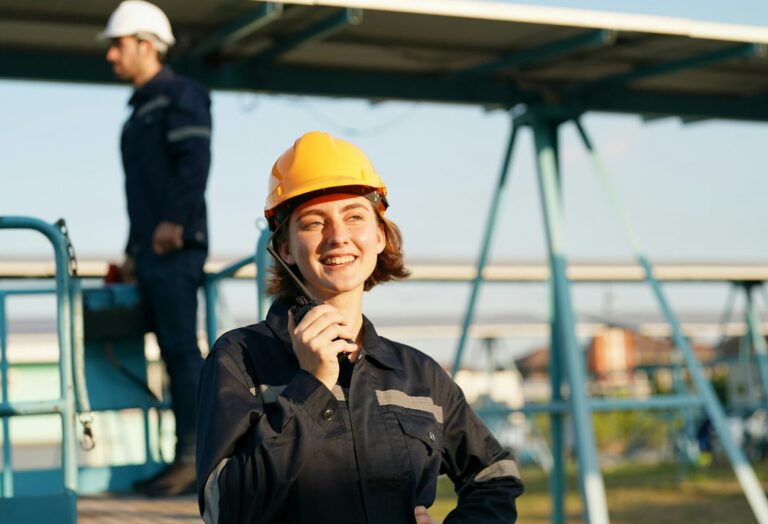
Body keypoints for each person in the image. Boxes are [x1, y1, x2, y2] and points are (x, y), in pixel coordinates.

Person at [196, 131, 523, 523]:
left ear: (380, 235)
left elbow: (495, 475)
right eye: (314, 222)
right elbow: (222, 509)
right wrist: (311, 387)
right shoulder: (239, 359)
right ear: (284, 249)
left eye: (354, 216)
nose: (338, 237)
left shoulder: (419, 375)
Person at [100, 0, 213, 496]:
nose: (111, 56)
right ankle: (181, 457)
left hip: (175, 246)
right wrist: (131, 250)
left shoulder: (179, 94)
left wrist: (173, 223)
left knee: (182, 352)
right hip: (150, 250)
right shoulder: (140, 108)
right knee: (170, 353)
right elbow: (141, 191)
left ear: (147, 44)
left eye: (118, 45)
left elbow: (194, 160)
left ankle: (195, 459)